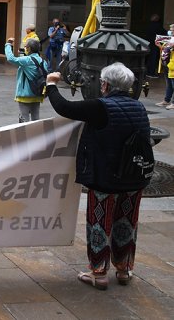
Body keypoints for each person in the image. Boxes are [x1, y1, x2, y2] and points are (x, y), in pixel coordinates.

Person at [45, 63, 150, 290]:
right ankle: (123, 269)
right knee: (127, 223)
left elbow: (64, 107)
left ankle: (99, 272)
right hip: (134, 176)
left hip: (105, 177)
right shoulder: (139, 107)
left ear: (105, 84)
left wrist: (51, 84)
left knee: (100, 222)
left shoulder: (100, 107)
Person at [5, 37, 48, 122]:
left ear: (29, 48)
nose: (24, 48)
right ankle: (36, 134)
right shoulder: (43, 61)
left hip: (25, 95)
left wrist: (8, 45)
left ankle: (25, 135)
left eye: (25, 46)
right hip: (38, 93)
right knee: (36, 119)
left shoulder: (27, 60)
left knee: (24, 120)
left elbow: (11, 58)